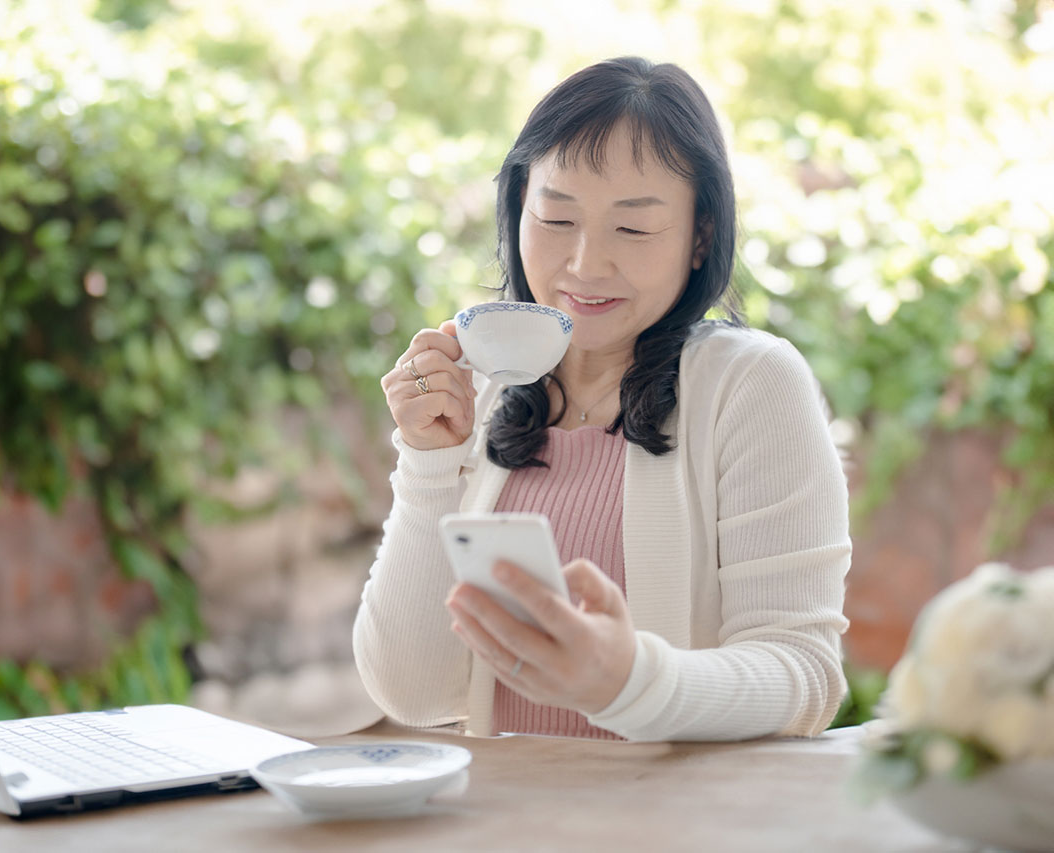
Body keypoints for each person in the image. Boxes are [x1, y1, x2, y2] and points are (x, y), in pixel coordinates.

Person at [352, 56, 850, 741]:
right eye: (555, 220)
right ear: (517, 209)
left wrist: (629, 682)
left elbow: (805, 678)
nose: (586, 264)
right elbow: (412, 693)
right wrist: (429, 461)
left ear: (701, 235)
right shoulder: (485, 390)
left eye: (634, 228)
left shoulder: (752, 385)